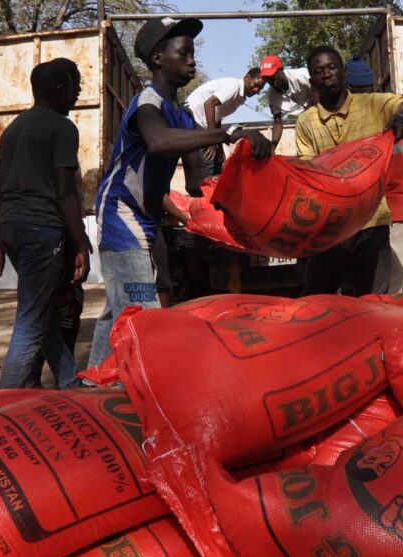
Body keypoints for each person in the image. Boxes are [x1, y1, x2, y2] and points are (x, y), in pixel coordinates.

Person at [87, 17, 272, 369]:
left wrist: (236, 197)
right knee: (142, 312)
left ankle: (92, 380)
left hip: (144, 219)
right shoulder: (148, 102)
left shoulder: (182, 116)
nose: (192, 60)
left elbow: (195, 182)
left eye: (192, 54)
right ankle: (139, 386)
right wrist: (226, 133)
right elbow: (158, 141)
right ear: (158, 58)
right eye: (183, 53)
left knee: (118, 308)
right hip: (121, 215)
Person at [296, 45, 403, 297]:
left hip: (373, 225)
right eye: (319, 71)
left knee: (375, 303)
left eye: (331, 67)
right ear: (312, 82)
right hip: (331, 228)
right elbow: (309, 175)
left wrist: (401, 117)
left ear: (343, 72)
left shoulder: (374, 105)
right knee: (317, 301)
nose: (326, 74)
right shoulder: (306, 122)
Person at [0, 58, 90, 390]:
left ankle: (67, 381)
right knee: (31, 321)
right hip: (41, 230)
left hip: (11, 227)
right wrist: (81, 243)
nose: (79, 91)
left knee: (43, 311)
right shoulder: (62, 128)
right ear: (59, 88)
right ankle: (4, 402)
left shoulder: (14, 129)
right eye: (75, 84)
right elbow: (65, 193)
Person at [185, 68, 266, 176]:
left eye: (260, 89)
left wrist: (219, 147)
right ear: (247, 77)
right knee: (208, 164)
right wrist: (211, 140)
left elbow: (217, 117)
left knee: (217, 164)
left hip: (201, 123)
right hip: (193, 117)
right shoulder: (235, 86)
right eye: (256, 85)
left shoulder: (240, 97)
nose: (256, 90)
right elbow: (209, 104)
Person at [259, 54, 312, 148]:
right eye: (267, 78)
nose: (271, 81)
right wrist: (273, 147)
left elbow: (321, 94)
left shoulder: (303, 75)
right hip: (303, 124)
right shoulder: (272, 94)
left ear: (281, 70)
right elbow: (277, 122)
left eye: (273, 76)